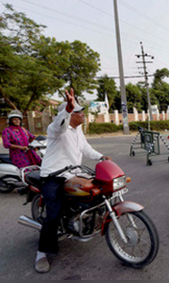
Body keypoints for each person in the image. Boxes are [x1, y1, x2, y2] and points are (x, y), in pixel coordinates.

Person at [35, 88, 111, 273]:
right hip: (54, 175)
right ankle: (41, 253)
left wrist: (103, 158)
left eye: (81, 111)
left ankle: (83, 221)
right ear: (70, 114)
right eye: (79, 112)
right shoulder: (56, 129)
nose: (83, 115)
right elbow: (59, 125)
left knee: (95, 191)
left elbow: (87, 149)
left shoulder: (78, 131)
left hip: (72, 173)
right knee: (52, 214)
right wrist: (67, 110)